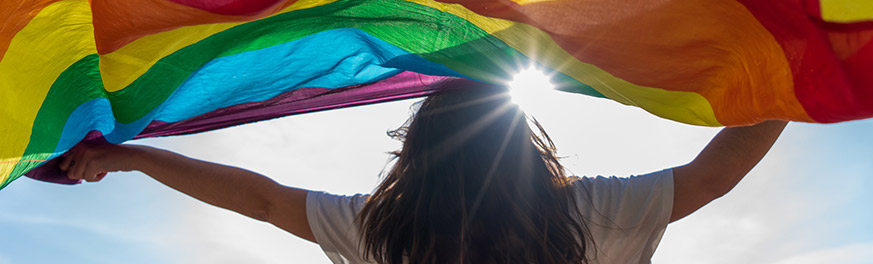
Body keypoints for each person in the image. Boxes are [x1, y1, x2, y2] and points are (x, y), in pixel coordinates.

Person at [59, 79, 787, 264]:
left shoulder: (385, 234)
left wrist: (133, 156)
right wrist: (798, 88)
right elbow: (712, 176)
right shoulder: (587, 216)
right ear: (525, 144)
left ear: (414, 156)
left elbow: (259, 199)